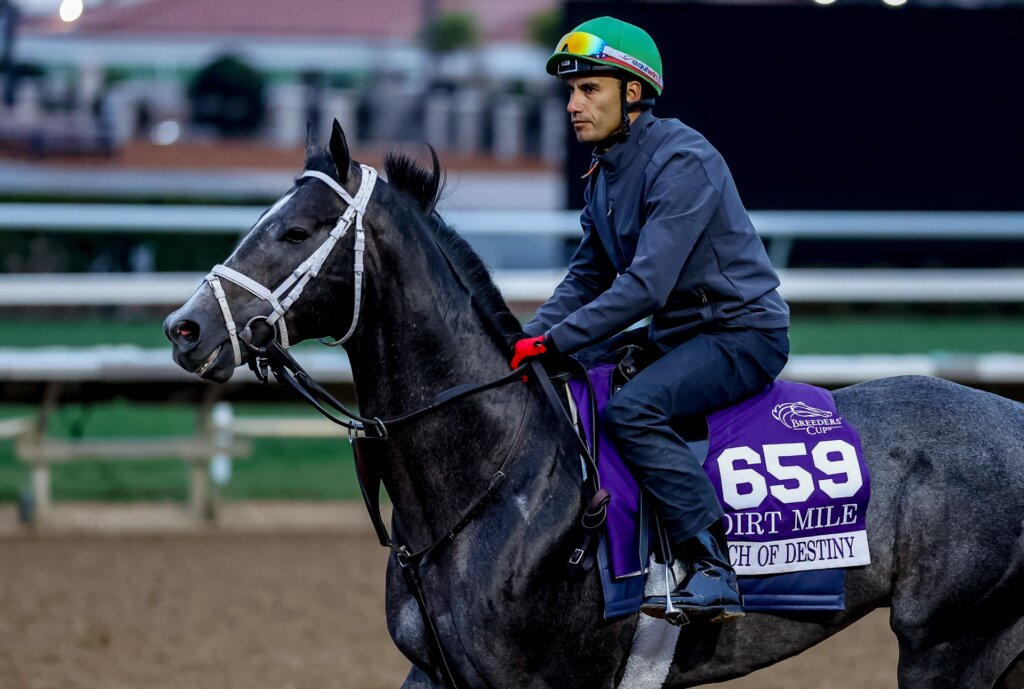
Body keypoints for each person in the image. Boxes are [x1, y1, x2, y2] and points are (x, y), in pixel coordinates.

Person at [509, 16, 790, 624]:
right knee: (575, 378)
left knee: (633, 410)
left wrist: (554, 339)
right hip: (681, 334)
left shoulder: (684, 157)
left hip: (741, 334)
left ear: (632, 93)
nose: (573, 105)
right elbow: (586, 277)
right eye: (570, 91)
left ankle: (713, 568)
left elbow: (644, 285)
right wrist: (525, 339)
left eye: (590, 90)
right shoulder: (604, 172)